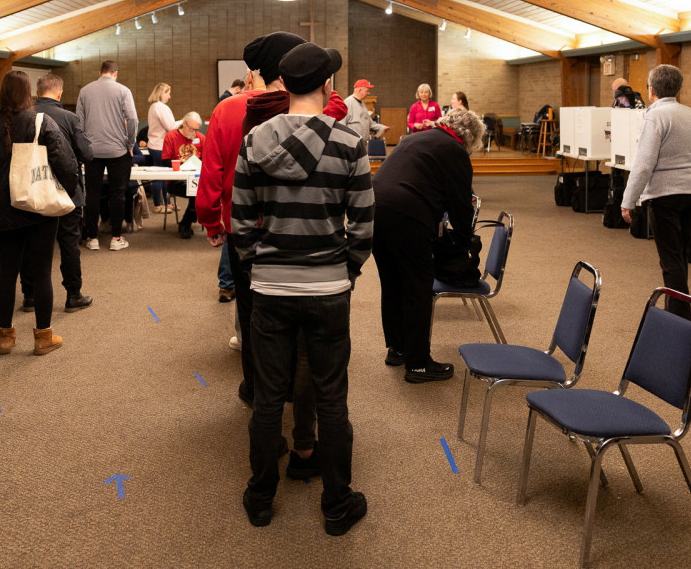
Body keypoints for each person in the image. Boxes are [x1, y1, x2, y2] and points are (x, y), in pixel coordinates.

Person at [232, 41, 372, 536]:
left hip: (269, 288)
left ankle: (261, 496)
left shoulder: (254, 141)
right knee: (331, 399)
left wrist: (262, 267)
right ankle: (336, 503)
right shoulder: (349, 141)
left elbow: (241, 224)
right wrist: (345, 270)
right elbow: (363, 224)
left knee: (268, 399)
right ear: (328, 86)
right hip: (328, 288)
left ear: (284, 85)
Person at [197, 33, 347, 388]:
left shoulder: (228, 109)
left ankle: (255, 385)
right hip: (298, 224)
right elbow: (334, 98)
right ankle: (296, 384)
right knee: (298, 308)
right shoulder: (315, 107)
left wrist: (209, 220)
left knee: (251, 309)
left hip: (241, 224)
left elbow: (212, 172)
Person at [372, 108, 485, 383]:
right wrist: (463, 241)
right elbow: (461, 205)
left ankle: (397, 348)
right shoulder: (454, 151)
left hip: (373, 209)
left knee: (393, 283)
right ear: (469, 137)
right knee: (417, 288)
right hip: (408, 216)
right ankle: (419, 363)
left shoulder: (415, 138)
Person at [0, 71, 80, 355]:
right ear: (28, 92)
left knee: (7, 274)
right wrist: (68, 190)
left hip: (1, 210)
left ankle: (5, 337)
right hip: (38, 209)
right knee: (41, 273)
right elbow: (65, 162)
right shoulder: (40, 122)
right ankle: (43, 338)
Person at [621, 65, 691, 320]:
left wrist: (628, 200)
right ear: (679, 89)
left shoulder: (655, 116)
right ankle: (677, 310)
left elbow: (644, 163)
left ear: (651, 90)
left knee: (670, 259)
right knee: (679, 255)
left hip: (665, 195)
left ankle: (679, 320)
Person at [32, 73, 94, 313]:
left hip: (34, 189)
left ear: (38, 92)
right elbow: (87, 154)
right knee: (69, 243)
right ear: (59, 93)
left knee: (34, 244)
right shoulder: (69, 118)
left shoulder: (25, 117)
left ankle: (30, 295)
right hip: (66, 191)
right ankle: (73, 294)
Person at [76, 60, 138, 252]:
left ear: (100, 72)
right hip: (118, 150)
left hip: (92, 151)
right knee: (117, 195)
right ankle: (116, 238)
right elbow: (133, 119)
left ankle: (92, 238)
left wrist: (84, 145)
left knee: (92, 195)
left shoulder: (85, 91)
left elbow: (78, 122)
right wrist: (130, 144)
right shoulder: (123, 91)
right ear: (115, 73)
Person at [161, 111, 204, 239]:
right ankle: (186, 223)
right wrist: (183, 164)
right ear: (183, 124)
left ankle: (185, 222)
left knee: (199, 192)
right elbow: (165, 161)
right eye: (191, 129)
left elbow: (208, 160)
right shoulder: (171, 136)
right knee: (197, 193)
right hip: (176, 181)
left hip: (196, 180)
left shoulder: (201, 138)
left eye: (196, 129)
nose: (194, 132)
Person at [146, 83, 177, 213]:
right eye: (168, 93)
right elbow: (171, 127)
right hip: (159, 145)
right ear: (162, 93)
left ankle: (167, 204)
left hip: (156, 144)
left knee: (163, 175)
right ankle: (158, 206)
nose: (169, 96)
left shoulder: (154, 106)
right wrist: (184, 121)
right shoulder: (160, 107)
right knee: (159, 175)